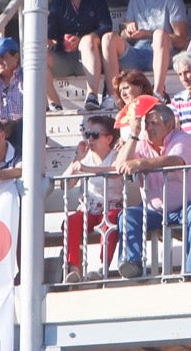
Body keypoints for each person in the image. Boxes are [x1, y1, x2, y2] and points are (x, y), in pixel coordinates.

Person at [114, 99, 191, 278]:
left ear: (169, 125)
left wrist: (141, 163)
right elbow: (119, 166)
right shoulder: (141, 144)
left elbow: (176, 161)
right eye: (146, 124)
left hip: (188, 205)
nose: (148, 128)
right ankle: (132, 264)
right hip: (153, 210)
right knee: (127, 216)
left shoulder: (182, 138)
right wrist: (133, 134)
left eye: (154, 123)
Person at [106, 0, 188, 103]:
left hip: (162, 55)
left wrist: (149, 34)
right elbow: (124, 36)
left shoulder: (173, 0)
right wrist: (128, 31)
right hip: (137, 53)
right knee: (108, 38)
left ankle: (158, 92)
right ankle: (112, 96)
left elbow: (181, 40)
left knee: (159, 34)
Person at [46, 0, 114, 111]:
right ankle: (55, 104)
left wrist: (83, 38)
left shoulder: (97, 0)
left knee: (87, 41)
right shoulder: (56, 5)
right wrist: (52, 42)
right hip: (65, 57)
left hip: (93, 57)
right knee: (38, 56)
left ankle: (92, 96)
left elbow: (106, 27)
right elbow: (50, 35)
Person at [61, 113, 123, 283]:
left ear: (109, 138)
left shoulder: (117, 155)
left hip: (111, 208)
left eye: (95, 135)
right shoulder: (85, 157)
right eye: (87, 134)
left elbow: (116, 171)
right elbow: (66, 184)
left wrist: (87, 168)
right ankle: (73, 268)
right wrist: (78, 158)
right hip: (88, 209)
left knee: (109, 221)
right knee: (70, 222)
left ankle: (102, 267)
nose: (90, 139)